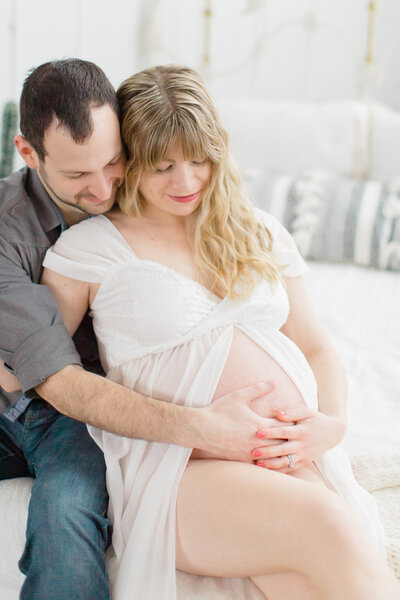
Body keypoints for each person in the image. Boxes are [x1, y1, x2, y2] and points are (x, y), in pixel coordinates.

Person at [41, 64, 400, 600]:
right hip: (181, 468)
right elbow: (47, 371)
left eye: (198, 160)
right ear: (129, 162)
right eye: (162, 166)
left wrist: (333, 424)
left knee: (308, 577)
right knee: (329, 524)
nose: (185, 183)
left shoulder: (258, 230)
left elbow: (316, 345)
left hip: (286, 455)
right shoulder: (88, 250)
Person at [0, 59, 282, 600]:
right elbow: (35, 380)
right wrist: (202, 427)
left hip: (80, 415)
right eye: (78, 175)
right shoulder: (9, 228)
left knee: (66, 511)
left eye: (114, 162)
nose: (103, 186)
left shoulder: (170, 201)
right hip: (41, 397)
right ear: (28, 153)